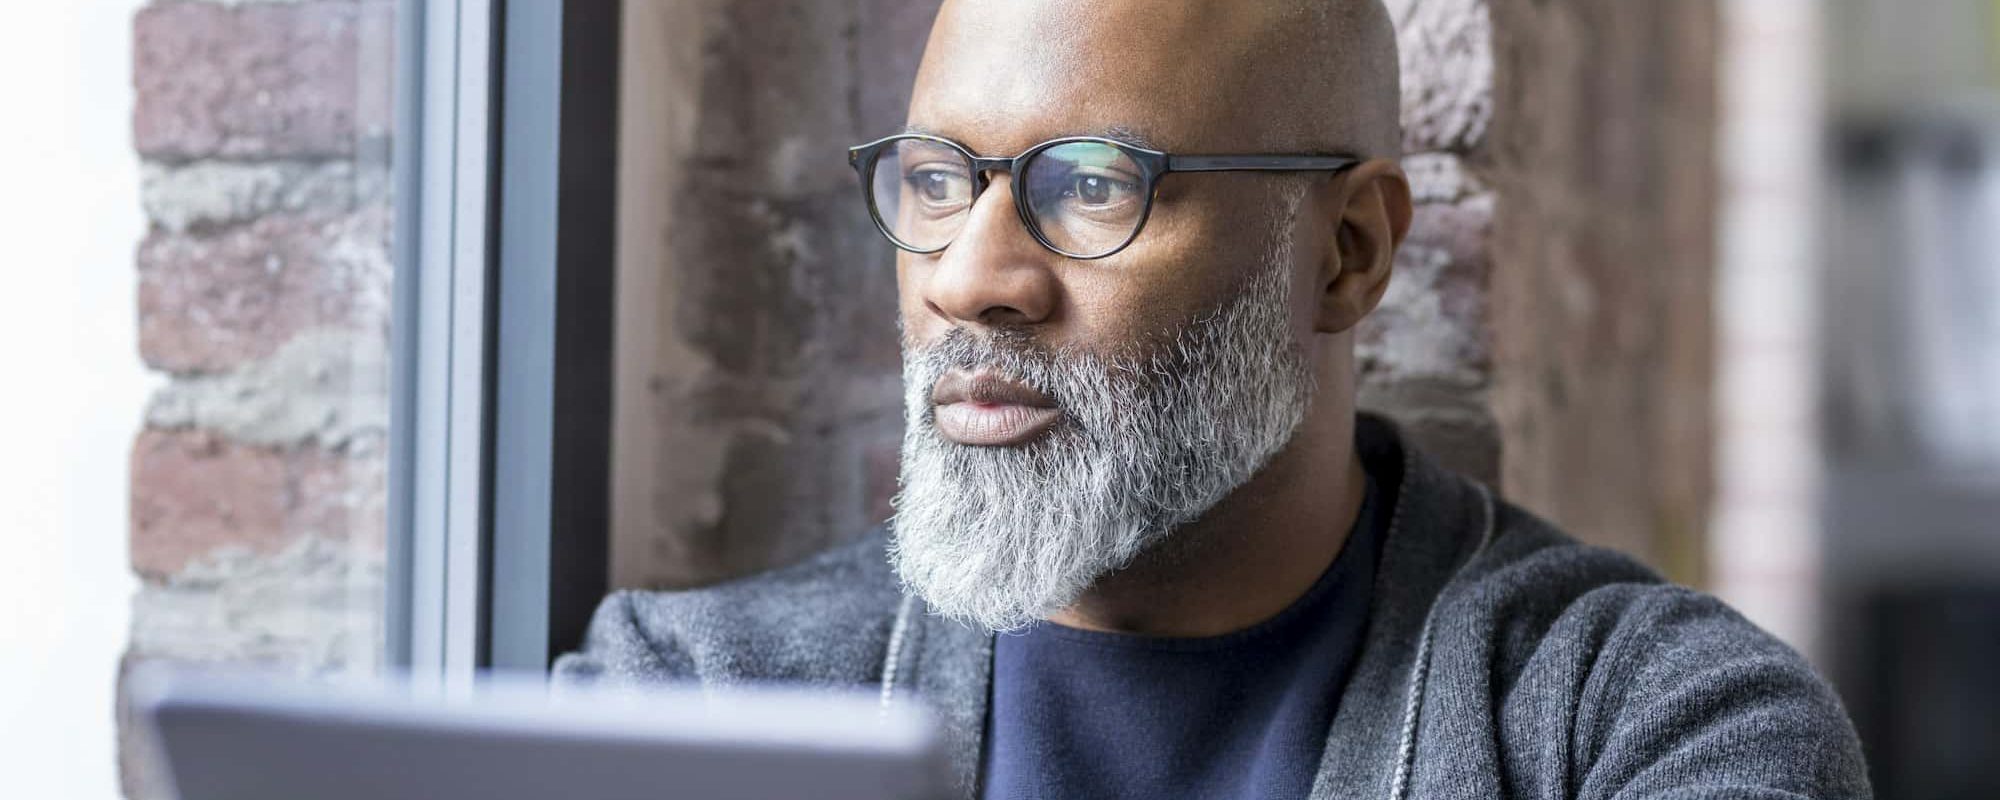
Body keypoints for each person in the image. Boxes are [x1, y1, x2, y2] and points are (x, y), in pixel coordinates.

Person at [555, 1, 1870, 798]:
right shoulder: (693, 708)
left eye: (1091, 185)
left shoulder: (1645, 729)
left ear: (1347, 250)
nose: (968, 279)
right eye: (939, 179)